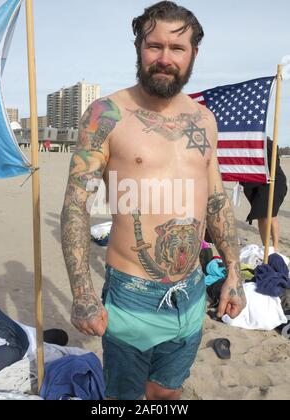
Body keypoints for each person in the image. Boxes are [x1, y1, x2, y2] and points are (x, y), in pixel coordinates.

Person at [61, 1, 246, 400]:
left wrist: (233, 271)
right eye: (154, 46)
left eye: (177, 48)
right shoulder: (106, 114)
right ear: (138, 49)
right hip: (131, 294)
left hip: (193, 292)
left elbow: (215, 199)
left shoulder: (204, 120)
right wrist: (82, 294)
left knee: (167, 394)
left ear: (193, 53)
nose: (164, 58)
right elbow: (76, 206)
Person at [241, 138, 288, 251]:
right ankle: (265, 246)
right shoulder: (248, 143)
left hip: (273, 181)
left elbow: (272, 164)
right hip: (256, 183)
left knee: (270, 215)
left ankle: (275, 247)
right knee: (261, 216)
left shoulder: (269, 143)